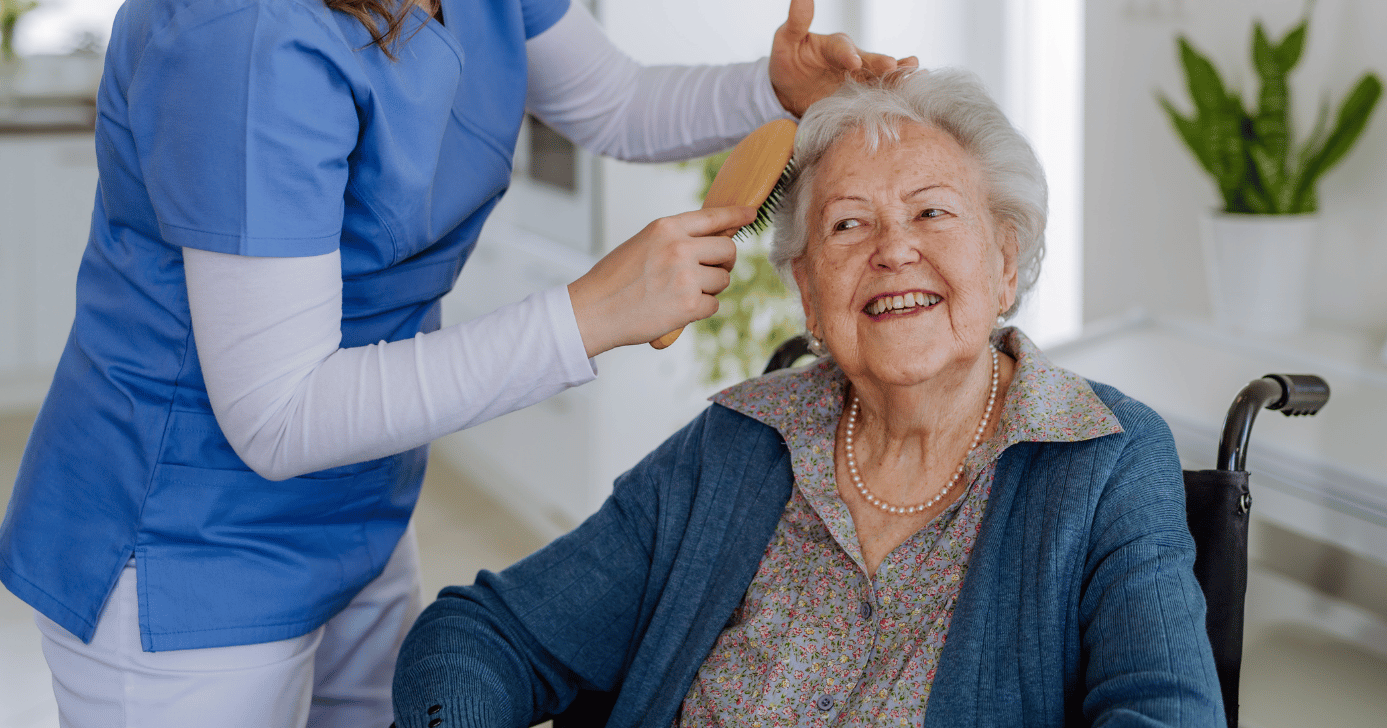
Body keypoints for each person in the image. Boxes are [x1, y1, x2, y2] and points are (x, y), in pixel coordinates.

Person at [0, 0, 913, 725]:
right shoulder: (246, 27)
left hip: (356, 498)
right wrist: (590, 314)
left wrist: (772, 89)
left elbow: (617, 104)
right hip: (184, 546)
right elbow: (278, 417)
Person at [391, 68, 1225, 727]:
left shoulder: (1104, 457)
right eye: (847, 225)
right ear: (808, 294)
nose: (894, 249)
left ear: (1005, 262)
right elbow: (488, 633)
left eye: (932, 212)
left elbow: (1165, 713)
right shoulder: (736, 444)